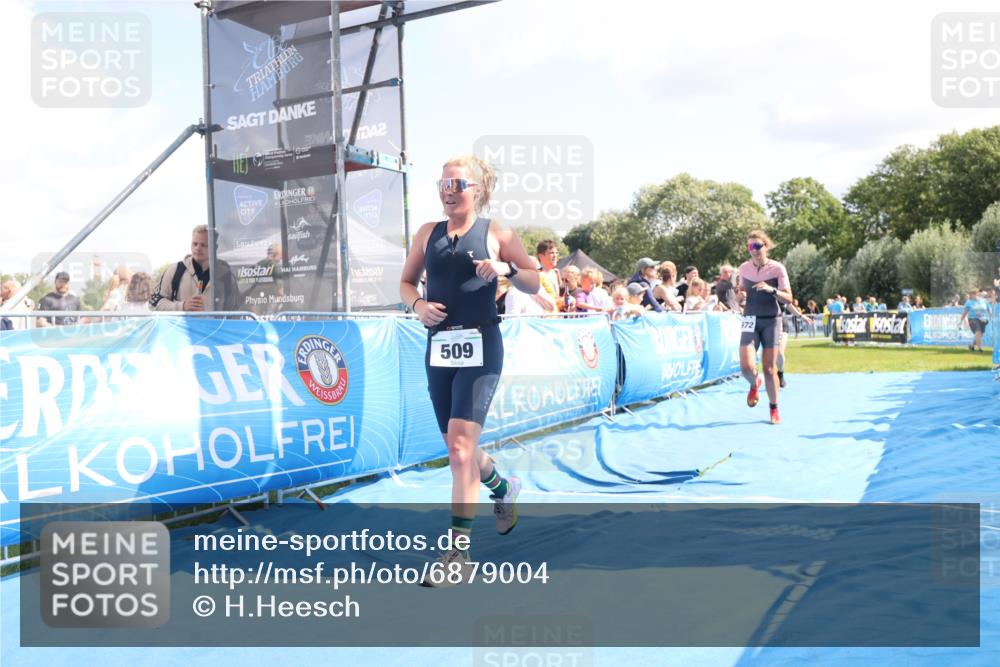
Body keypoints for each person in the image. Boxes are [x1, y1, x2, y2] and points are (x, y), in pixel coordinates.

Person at [399, 155, 539, 587]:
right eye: (442, 183)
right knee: (459, 447)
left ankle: (457, 555)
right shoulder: (427, 233)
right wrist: (418, 305)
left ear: (476, 189)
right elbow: (406, 284)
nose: (447, 190)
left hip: (481, 346)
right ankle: (503, 488)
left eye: (455, 183)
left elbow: (535, 279)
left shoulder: (498, 232)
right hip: (439, 349)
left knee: (460, 449)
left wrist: (507, 269)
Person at [737, 230, 793, 425]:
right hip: (750, 318)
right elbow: (741, 290)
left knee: (769, 369)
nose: (753, 250)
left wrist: (772, 290)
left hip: (771, 320)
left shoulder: (777, 268)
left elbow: (789, 298)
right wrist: (740, 296)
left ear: (766, 247)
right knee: (745, 367)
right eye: (750, 246)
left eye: (757, 246)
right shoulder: (744, 268)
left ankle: (774, 407)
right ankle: (754, 383)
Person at [150, 225, 239, 311]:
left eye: (204, 245)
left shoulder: (226, 275)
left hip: (214, 326)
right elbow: (153, 303)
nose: (198, 248)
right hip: (182, 326)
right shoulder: (175, 270)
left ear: (215, 247)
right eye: (195, 244)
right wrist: (182, 306)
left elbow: (234, 311)